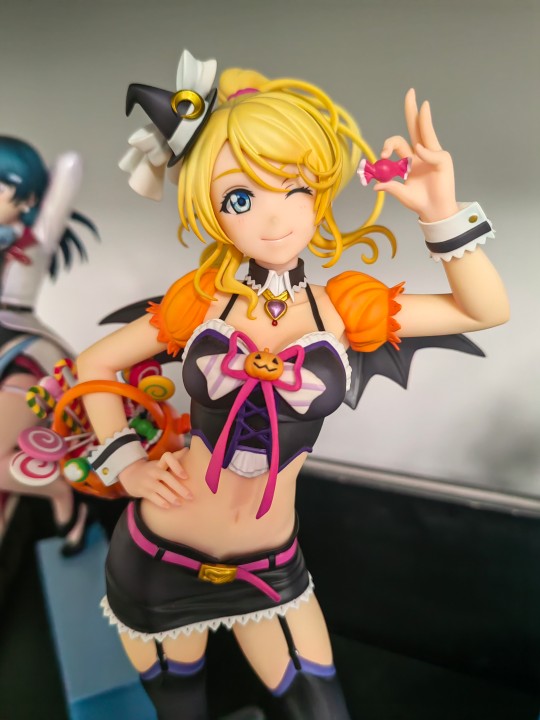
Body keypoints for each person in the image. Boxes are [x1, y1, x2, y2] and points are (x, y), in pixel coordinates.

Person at [77, 50, 509, 719]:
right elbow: (95, 363)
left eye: (294, 188)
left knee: (321, 710)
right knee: (181, 711)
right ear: (211, 209)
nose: (273, 218)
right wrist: (126, 466)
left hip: (271, 567)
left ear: (321, 190)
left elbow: (484, 310)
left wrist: (441, 211)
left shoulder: (345, 308)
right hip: (159, 557)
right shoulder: (201, 302)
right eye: (240, 198)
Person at [0, 137, 97, 555]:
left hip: (22, 350)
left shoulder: (35, 238)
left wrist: (39, 193)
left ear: (28, 198)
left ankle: (62, 495)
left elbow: (70, 164)